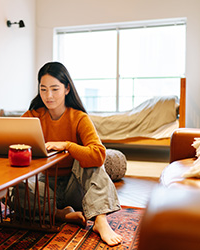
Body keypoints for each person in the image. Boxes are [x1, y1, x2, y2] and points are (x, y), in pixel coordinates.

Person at [21, 62, 122, 246]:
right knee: (10, 190)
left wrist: (68, 146)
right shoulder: (32, 116)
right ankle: (60, 214)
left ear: (67, 88)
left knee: (89, 160)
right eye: (43, 89)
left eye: (54, 89)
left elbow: (99, 155)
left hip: (75, 188)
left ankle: (100, 220)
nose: (48, 96)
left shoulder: (79, 117)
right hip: (45, 187)